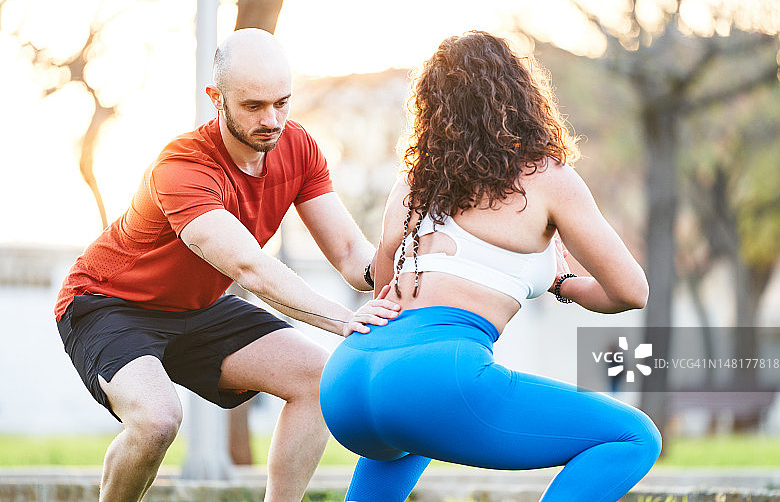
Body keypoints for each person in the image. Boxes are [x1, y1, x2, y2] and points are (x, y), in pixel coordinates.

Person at [54, 28, 399, 502]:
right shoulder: (183, 167)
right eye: (253, 106)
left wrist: (413, 272)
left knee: (321, 380)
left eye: (282, 103)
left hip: (196, 308)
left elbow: (350, 256)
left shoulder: (298, 147)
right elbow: (249, 268)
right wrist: (343, 319)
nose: (271, 119)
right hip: (109, 304)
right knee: (157, 420)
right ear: (216, 98)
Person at [319, 31, 662, 502]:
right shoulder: (545, 178)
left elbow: (383, 289)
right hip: (432, 377)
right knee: (633, 437)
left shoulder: (413, 185)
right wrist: (563, 283)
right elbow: (631, 291)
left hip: (349, 378)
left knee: (414, 431)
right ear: (519, 94)